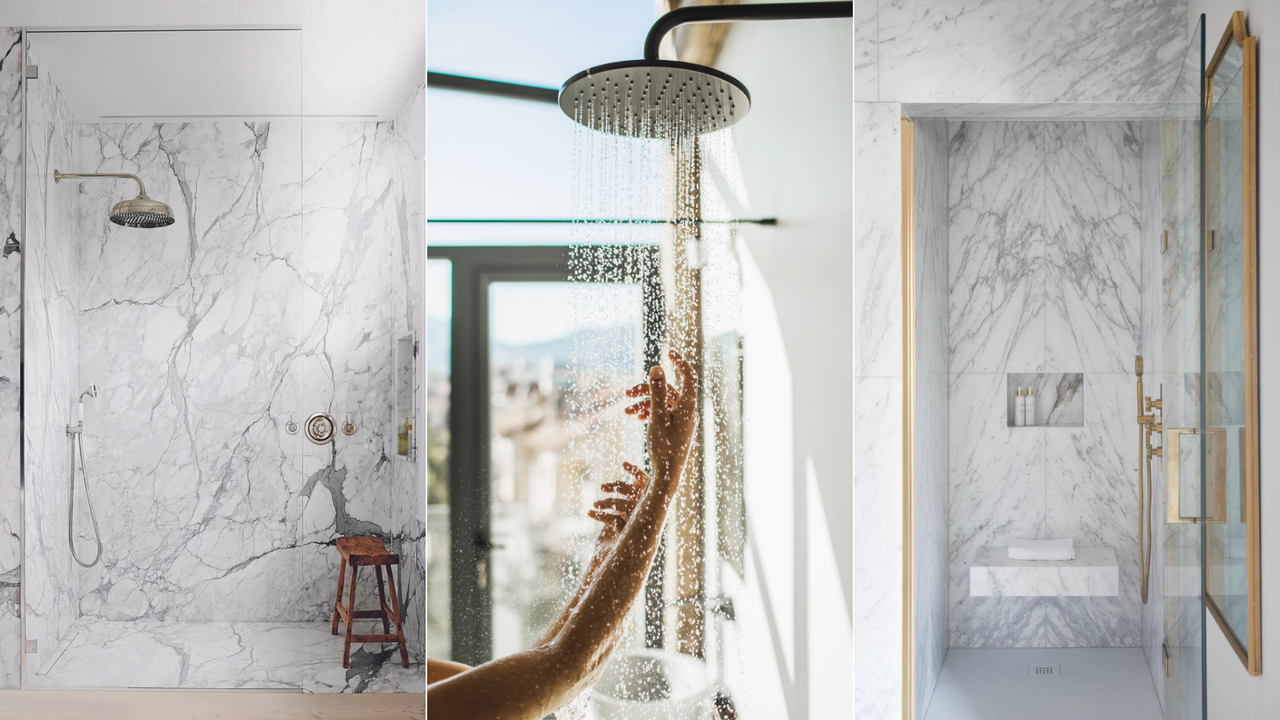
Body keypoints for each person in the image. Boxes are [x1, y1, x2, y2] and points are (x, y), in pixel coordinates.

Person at [427, 350, 698, 720]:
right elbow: (563, 672)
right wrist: (666, 477)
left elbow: (539, 685)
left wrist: (602, 566)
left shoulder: (394, 689)